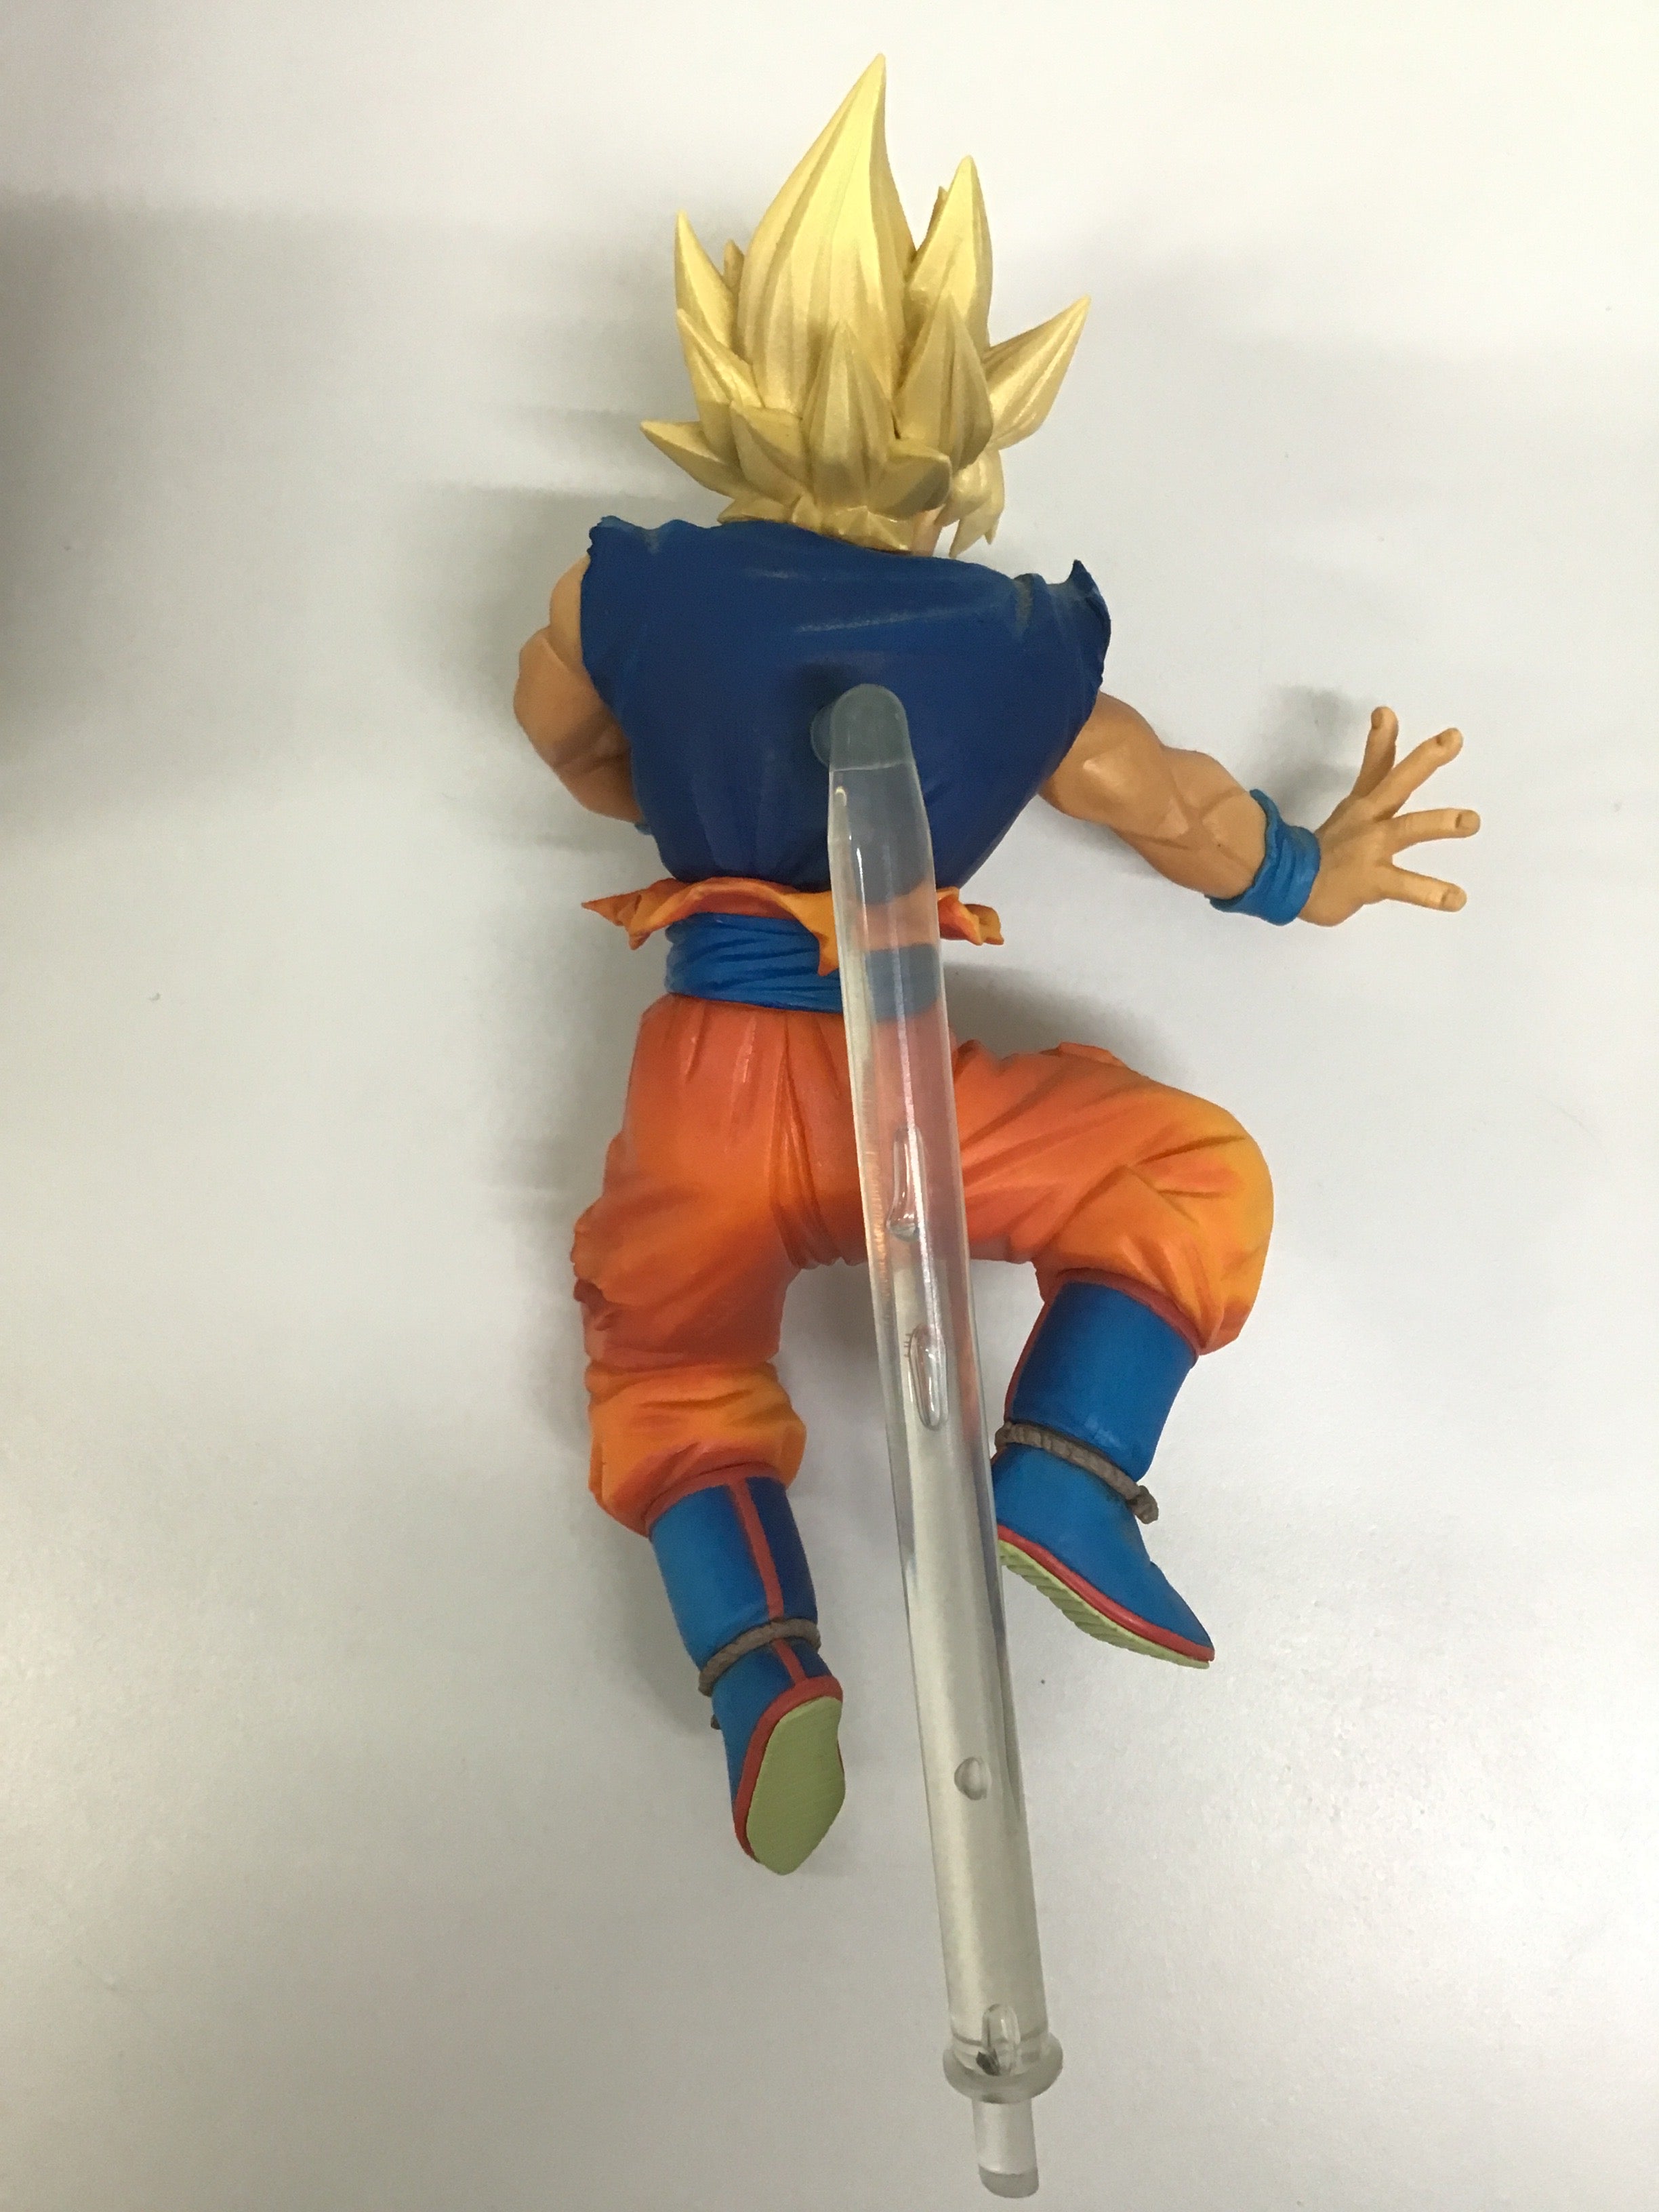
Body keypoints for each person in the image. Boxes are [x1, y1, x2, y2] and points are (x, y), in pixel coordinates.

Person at [513, 58, 1479, 1876]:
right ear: (964, 409)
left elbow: (558, 734)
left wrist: (691, 807)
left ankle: (759, 1671)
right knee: (1185, 1168)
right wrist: (1305, 875)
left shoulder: (619, 588)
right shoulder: (1013, 646)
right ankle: (1067, 1466)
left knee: (671, 1379)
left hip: (700, 1080)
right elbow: (1166, 804)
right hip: (890, 1088)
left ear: (732, 382)